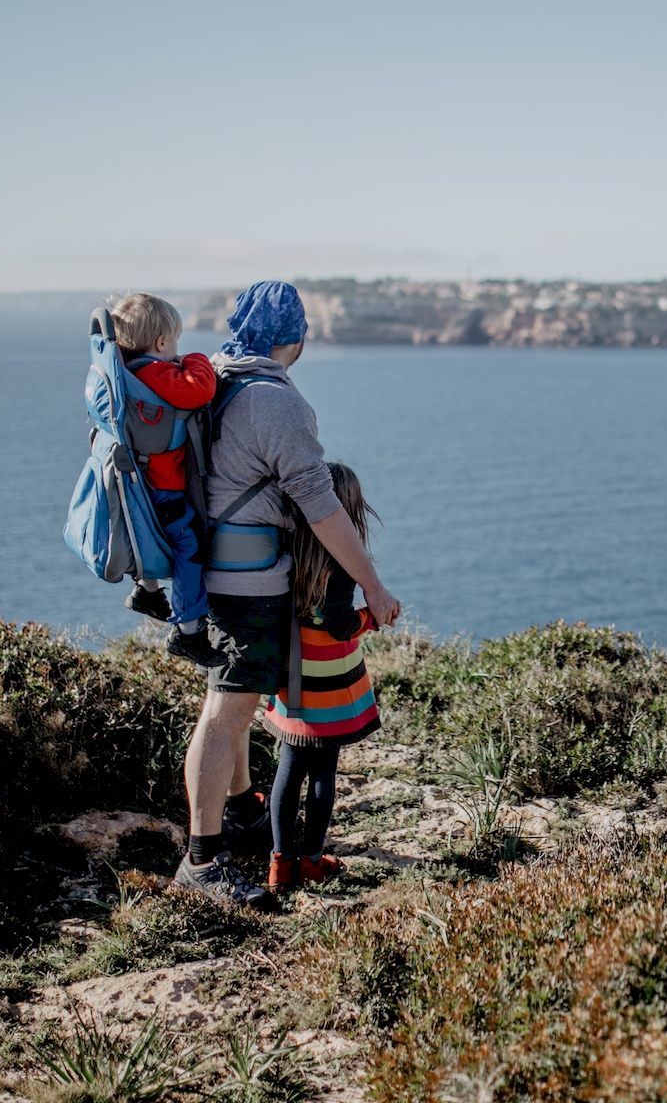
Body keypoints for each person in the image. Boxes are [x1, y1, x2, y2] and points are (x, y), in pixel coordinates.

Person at [174, 281, 402, 911]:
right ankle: (202, 861)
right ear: (292, 336)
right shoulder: (275, 400)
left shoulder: (212, 376)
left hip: (204, 573)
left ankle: (246, 816)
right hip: (247, 585)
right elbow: (323, 509)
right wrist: (373, 585)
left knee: (231, 706)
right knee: (225, 716)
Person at [264, 462, 384, 891]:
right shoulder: (341, 559)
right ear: (350, 510)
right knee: (322, 774)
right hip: (330, 686)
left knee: (287, 770)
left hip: (293, 679)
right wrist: (372, 617)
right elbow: (338, 624)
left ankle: (280, 864)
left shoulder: (289, 545)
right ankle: (313, 861)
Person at [106, 292, 225, 668]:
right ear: (160, 343)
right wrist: (196, 360)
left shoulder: (123, 373)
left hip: (139, 487)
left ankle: (148, 591)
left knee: (152, 537)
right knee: (189, 551)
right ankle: (188, 631)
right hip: (165, 492)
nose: (178, 351)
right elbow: (200, 389)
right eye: (175, 342)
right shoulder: (157, 373)